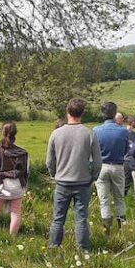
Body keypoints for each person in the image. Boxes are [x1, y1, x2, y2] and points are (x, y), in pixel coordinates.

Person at [46, 97, 102, 250]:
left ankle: (53, 247)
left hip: (62, 182)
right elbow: (98, 162)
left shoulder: (56, 134)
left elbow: (49, 162)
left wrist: (54, 175)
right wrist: (93, 177)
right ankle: (83, 250)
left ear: (67, 111)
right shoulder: (89, 134)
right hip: (83, 182)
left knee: (58, 219)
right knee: (81, 219)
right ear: (82, 113)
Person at [0, 122, 29, 235]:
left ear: (2, 132)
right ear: (15, 134)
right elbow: (22, 171)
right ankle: (12, 237)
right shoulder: (21, 152)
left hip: (1, 185)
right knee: (15, 213)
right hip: (16, 186)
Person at [94, 102, 130, 233]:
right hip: (118, 166)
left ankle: (107, 229)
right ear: (115, 114)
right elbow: (126, 150)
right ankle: (123, 229)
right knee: (119, 199)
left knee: (104, 200)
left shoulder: (96, 130)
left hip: (102, 167)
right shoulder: (123, 131)